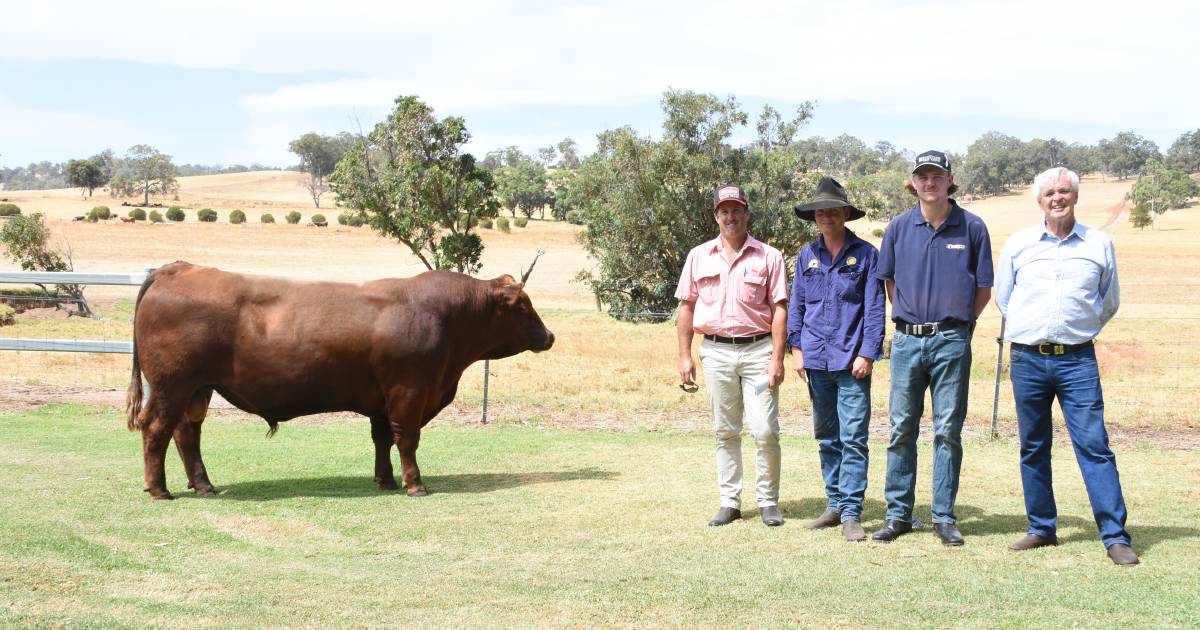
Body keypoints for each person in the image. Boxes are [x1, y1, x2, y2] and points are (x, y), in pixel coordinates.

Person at [995, 167, 1137, 566]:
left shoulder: (1098, 243)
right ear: (1039, 200)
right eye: (1050, 192)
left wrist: (1078, 329)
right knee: (1033, 446)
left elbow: (1109, 301)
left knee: (1094, 446)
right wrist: (1035, 329)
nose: (1058, 197)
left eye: (1064, 191)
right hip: (1027, 359)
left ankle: (1115, 536)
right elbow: (1005, 299)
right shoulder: (1020, 244)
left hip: (1077, 360)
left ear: (1075, 197)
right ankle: (1041, 528)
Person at [872, 150, 993, 546]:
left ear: (949, 180)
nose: (929, 182)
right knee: (901, 428)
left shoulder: (972, 228)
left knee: (947, 431)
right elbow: (889, 284)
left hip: (951, 341)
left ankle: (943, 517)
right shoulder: (898, 227)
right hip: (907, 340)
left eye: (936, 176)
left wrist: (958, 325)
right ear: (913, 182)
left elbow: (983, 288)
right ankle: (898, 515)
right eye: (922, 176)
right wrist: (911, 319)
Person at [676, 184, 789, 527]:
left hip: (759, 352)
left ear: (747, 212)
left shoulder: (769, 256)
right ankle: (730, 502)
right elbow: (686, 307)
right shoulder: (698, 256)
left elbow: (780, 309)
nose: (731, 217)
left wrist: (777, 359)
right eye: (724, 211)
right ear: (715, 215)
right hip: (716, 353)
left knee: (764, 429)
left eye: (736, 210)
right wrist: (685, 357)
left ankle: (768, 502)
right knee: (725, 431)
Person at [787, 177, 885, 542]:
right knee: (827, 436)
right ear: (814, 217)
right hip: (815, 361)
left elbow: (875, 309)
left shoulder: (868, 255)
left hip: (851, 362)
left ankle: (851, 513)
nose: (826, 216)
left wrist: (867, 353)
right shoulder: (806, 256)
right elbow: (796, 304)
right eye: (820, 211)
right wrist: (796, 349)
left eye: (833, 210)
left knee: (855, 438)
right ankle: (833, 504)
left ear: (846, 213)